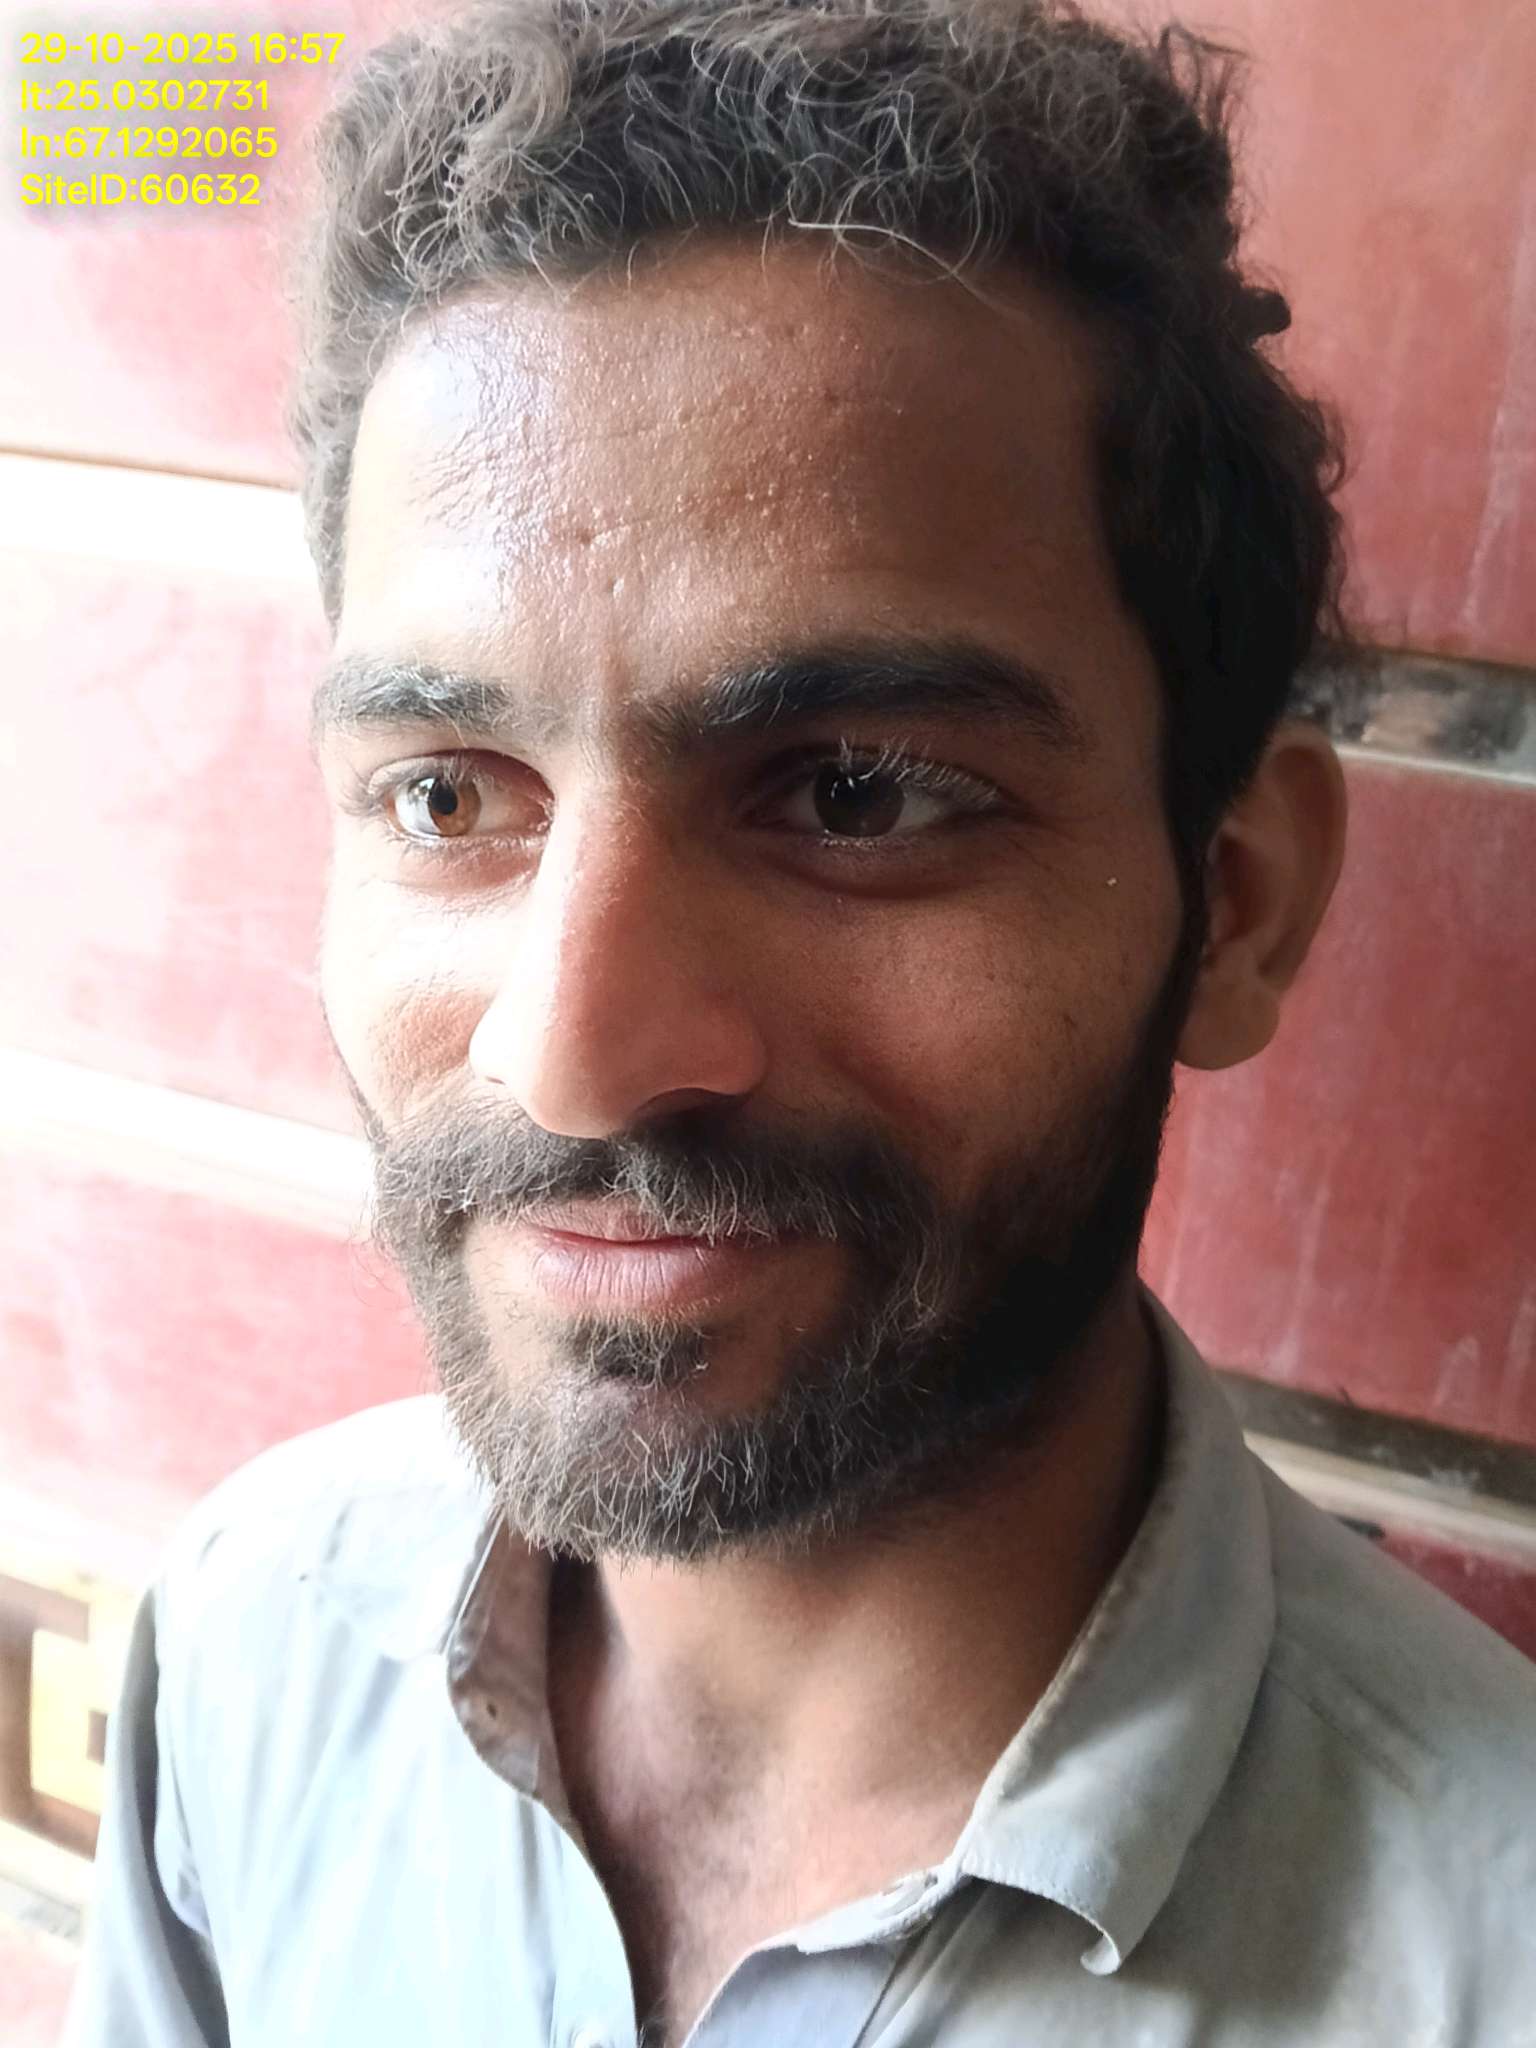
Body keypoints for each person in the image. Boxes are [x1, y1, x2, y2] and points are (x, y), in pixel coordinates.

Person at [68, 3, 1536, 2043]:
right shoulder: (251, 1646)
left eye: (856, 794)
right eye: (450, 797)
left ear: (1239, 903)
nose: (570, 1053)